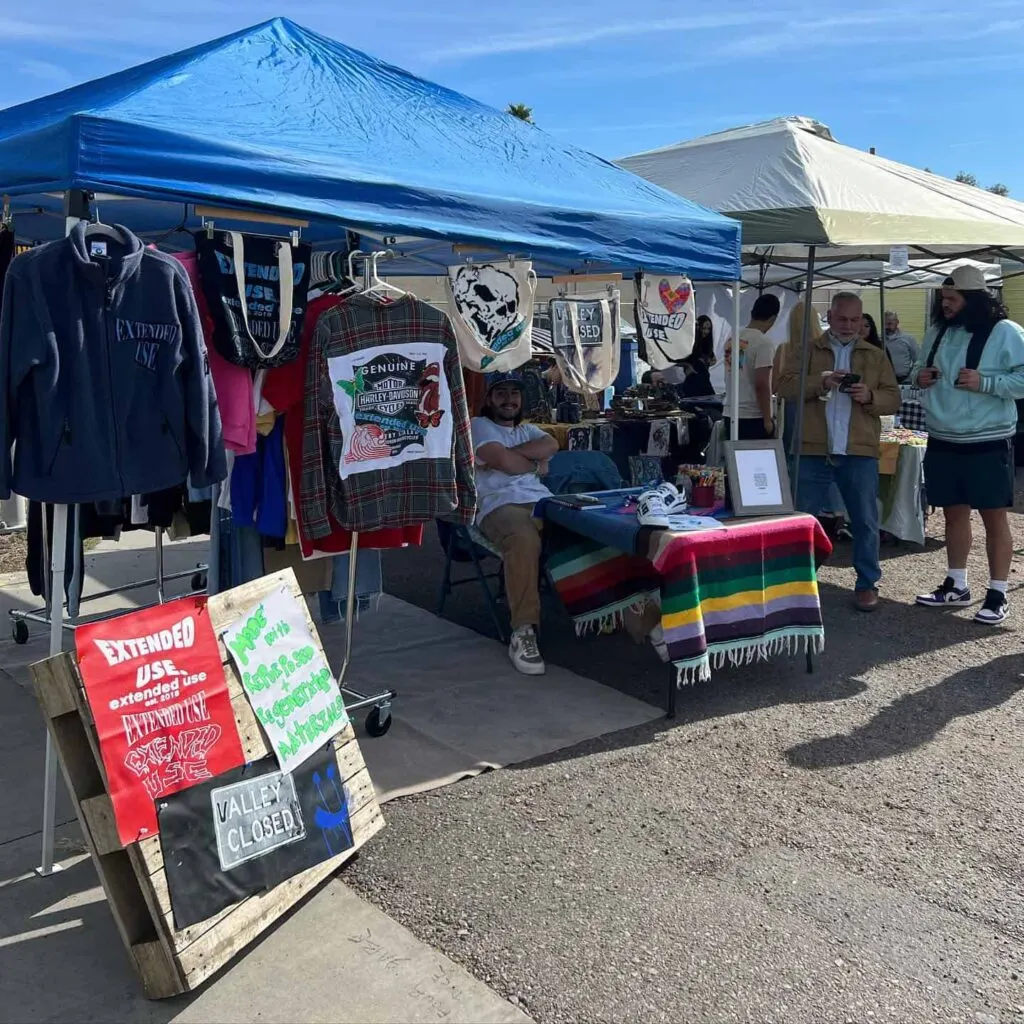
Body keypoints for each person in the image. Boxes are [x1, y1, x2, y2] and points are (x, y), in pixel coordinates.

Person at [912, 266, 1024, 624]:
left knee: (995, 519)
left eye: (952, 299)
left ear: (974, 300)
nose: (945, 304)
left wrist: (986, 382)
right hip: (943, 437)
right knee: (953, 513)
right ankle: (957, 584)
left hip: (988, 439)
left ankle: (998, 593)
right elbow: (917, 366)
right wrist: (920, 375)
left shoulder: (1007, 332)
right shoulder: (937, 332)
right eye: (943, 298)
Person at [777, 292, 901, 611]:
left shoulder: (875, 355)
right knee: (803, 519)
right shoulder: (807, 351)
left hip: (858, 449)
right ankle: (799, 583)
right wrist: (821, 382)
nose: (849, 325)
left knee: (864, 519)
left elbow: (893, 398)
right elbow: (785, 386)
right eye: (842, 319)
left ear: (862, 320)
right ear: (829, 318)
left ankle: (866, 583)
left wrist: (870, 395)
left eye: (855, 319)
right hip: (813, 447)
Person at [471, 372, 560, 674]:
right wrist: (534, 465)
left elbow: (552, 445)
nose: (509, 400)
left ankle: (636, 616)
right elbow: (501, 461)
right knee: (523, 540)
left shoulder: (529, 429)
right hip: (499, 505)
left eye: (514, 393)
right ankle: (523, 630)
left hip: (542, 501)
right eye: (501, 393)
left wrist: (509, 458)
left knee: (589, 530)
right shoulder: (478, 426)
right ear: (488, 399)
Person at [724, 293, 780, 439]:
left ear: (752, 313)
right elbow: (762, 384)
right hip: (752, 415)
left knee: (733, 460)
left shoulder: (732, 339)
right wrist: (768, 419)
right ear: (773, 318)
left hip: (729, 411)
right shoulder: (763, 343)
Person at [884, 311, 919, 383]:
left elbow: (918, 360)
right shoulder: (879, 339)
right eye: (884, 324)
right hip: (885, 381)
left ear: (897, 322)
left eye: (889, 323)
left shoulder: (908, 339)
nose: (886, 327)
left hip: (904, 380)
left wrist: (911, 376)